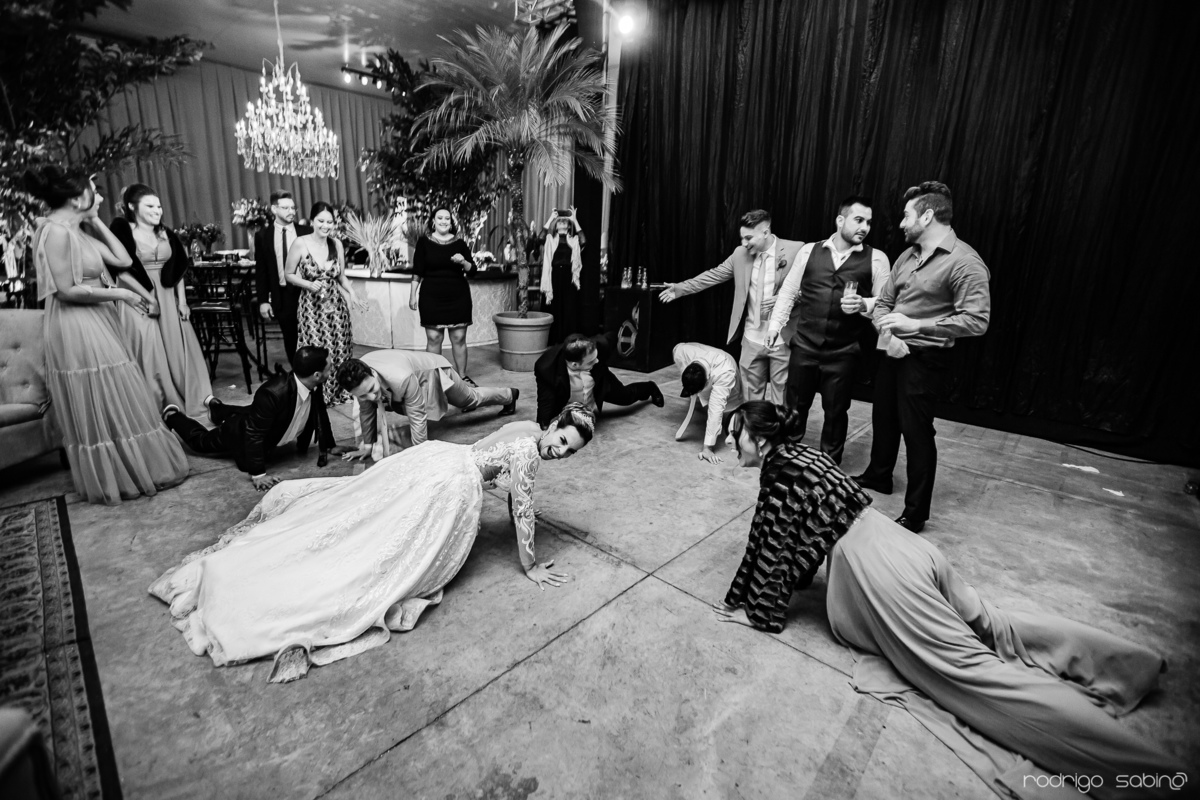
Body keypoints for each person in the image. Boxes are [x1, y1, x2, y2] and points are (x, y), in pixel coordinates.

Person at [713, 401, 1185, 800]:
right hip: (904, 545)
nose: (733, 442)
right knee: (995, 625)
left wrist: (755, 612)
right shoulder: (806, 455)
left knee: (972, 677)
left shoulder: (779, 474)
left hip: (881, 572)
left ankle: (1157, 776)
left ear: (761, 440)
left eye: (737, 434)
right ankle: (1128, 663)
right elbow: (797, 541)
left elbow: (771, 551)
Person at [147, 404, 596, 683]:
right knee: (394, 550)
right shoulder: (531, 455)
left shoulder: (526, 427)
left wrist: (518, 498)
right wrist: (530, 564)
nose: (559, 451)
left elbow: (511, 476)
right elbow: (522, 507)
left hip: (444, 458)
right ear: (555, 423)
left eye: (569, 451)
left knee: (374, 515)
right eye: (562, 440)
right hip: (453, 486)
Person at [25, 166, 189, 505]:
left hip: (96, 317)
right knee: (101, 391)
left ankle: (134, 466)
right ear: (75, 199)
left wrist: (96, 220)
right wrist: (122, 294)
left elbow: (123, 259)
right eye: (93, 192)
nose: (99, 197)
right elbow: (66, 290)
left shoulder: (76, 231)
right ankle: (117, 473)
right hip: (75, 323)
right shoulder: (55, 232)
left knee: (115, 389)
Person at [851, 182, 991, 533]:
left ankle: (915, 513)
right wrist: (889, 336)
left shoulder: (965, 261)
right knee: (883, 417)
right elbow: (884, 303)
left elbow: (977, 321)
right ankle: (879, 475)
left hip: (926, 358)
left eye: (906, 215)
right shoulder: (906, 256)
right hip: (891, 350)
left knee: (916, 432)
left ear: (927, 216)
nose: (901, 223)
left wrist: (916, 326)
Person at [764, 195, 892, 465]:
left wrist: (864, 304)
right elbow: (789, 291)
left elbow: (885, 303)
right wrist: (775, 326)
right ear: (840, 220)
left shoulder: (877, 259)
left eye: (869, 222)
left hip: (843, 351)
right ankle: (786, 461)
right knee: (794, 408)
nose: (865, 227)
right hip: (804, 345)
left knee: (835, 412)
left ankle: (829, 469)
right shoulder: (809, 251)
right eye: (859, 220)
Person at [658, 210, 804, 405]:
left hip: (782, 337)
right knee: (750, 400)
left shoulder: (796, 250)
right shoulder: (740, 254)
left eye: (748, 238)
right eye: (742, 238)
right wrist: (680, 288)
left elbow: (812, 287)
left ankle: (779, 426)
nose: (744, 243)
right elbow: (714, 275)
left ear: (765, 232)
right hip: (752, 337)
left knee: (782, 397)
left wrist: (788, 298)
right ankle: (754, 426)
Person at [161, 346, 335, 491]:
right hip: (239, 433)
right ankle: (173, 416)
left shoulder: (312, 383)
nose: (331, 369)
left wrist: (330, 445)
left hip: (256, 414)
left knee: (252, 411)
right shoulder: (272, 394)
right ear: (317, 375)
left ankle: (216, 408)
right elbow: (253, 434)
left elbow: (320, 413)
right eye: (329, 367)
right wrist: (258, 474)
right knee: (201, 441)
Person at [110, 183, 213, 418]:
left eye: (158, 206)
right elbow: (121, 272)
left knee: (175, 346)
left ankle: (189, 397)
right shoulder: (123, 231)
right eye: (150, 206)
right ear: (132, 206)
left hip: (166, 296)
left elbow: (177, 269)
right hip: (137, 296)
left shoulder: (165, 233)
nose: (157, 210)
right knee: (149, 349)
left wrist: (182, 301)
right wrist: (149, 299)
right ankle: (158, 403)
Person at [335, 351, 519, 460]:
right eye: (363, 395)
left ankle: (509, 394)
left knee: (469, 399)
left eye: (372, 389)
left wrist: (419, 454)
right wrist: (367, 446)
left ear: (372, 374)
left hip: (434, 370)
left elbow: (417, 416)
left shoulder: (401, 378)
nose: (371, 396)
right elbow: (366, 411)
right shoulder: (358, 380)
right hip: (415, 374)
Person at [285, 201, 364, 407]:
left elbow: (341, 277)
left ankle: (339, 391)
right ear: (312, 221)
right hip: (311, 308)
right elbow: (288, 274)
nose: (325, 225)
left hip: (336, 307)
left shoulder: (336, 244)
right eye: (321, 221)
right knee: (316, 351)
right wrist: (308, 284)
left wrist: (353, 294)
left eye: (330, 222)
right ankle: (318, 395)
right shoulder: (300, 243)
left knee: (340, 348)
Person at [535, 333, 664, 428]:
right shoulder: (546, 368)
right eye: (591, 361)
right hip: (566, 396)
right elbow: (545, 401)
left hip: (599, 380)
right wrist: (543, 427)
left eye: (596, 357)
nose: (596, 361)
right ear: (575, 365)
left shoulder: (601, 344)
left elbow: (613, 335)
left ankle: (650, 387)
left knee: (626, 397)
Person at [409, 207, 476, 383]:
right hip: (431, 297)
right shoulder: (423, 242)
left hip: (458, 296)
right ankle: (435, 379)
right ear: (433, 221)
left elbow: (473, 270)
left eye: (447, 218)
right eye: (440, 218)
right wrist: (412, 295)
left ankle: (462, 377)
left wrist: (463, 261)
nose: (444, 221)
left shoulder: (460, 243)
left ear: (451, 222)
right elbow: (417, 271)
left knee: (459, 338)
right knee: (434, 338)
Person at [254, 191, 311, 362]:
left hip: (307, 292)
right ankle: (298, 374)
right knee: (291, 340)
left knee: (312, 337)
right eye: (286, 208)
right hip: (283, 294)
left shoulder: (307, 232)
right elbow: (261, 271)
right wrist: (263, 301)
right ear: (274, 209)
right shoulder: (263, 236)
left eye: (293, 208)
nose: (291, 211)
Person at [671, 342, 741, 464]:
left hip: (727, 374)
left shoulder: (725, 372)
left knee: (724, 411)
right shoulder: (683, 352)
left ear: (707, 382)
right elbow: (676, 349)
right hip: (705, 356)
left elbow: (715, 410)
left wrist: (707, 448)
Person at [539, 207, 586, 344]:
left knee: (568, 308)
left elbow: (584, 241)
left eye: (565, 221)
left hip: (568, 277)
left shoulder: (574, 240)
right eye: (559, 221)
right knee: (554, 307)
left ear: (569, 226)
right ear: (555, 225)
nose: (562, 222)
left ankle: (568, 339)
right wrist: (551, 218)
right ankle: (553, 339)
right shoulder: (550, 240)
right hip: (553, 277)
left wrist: (574, 220)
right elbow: (540, 237)